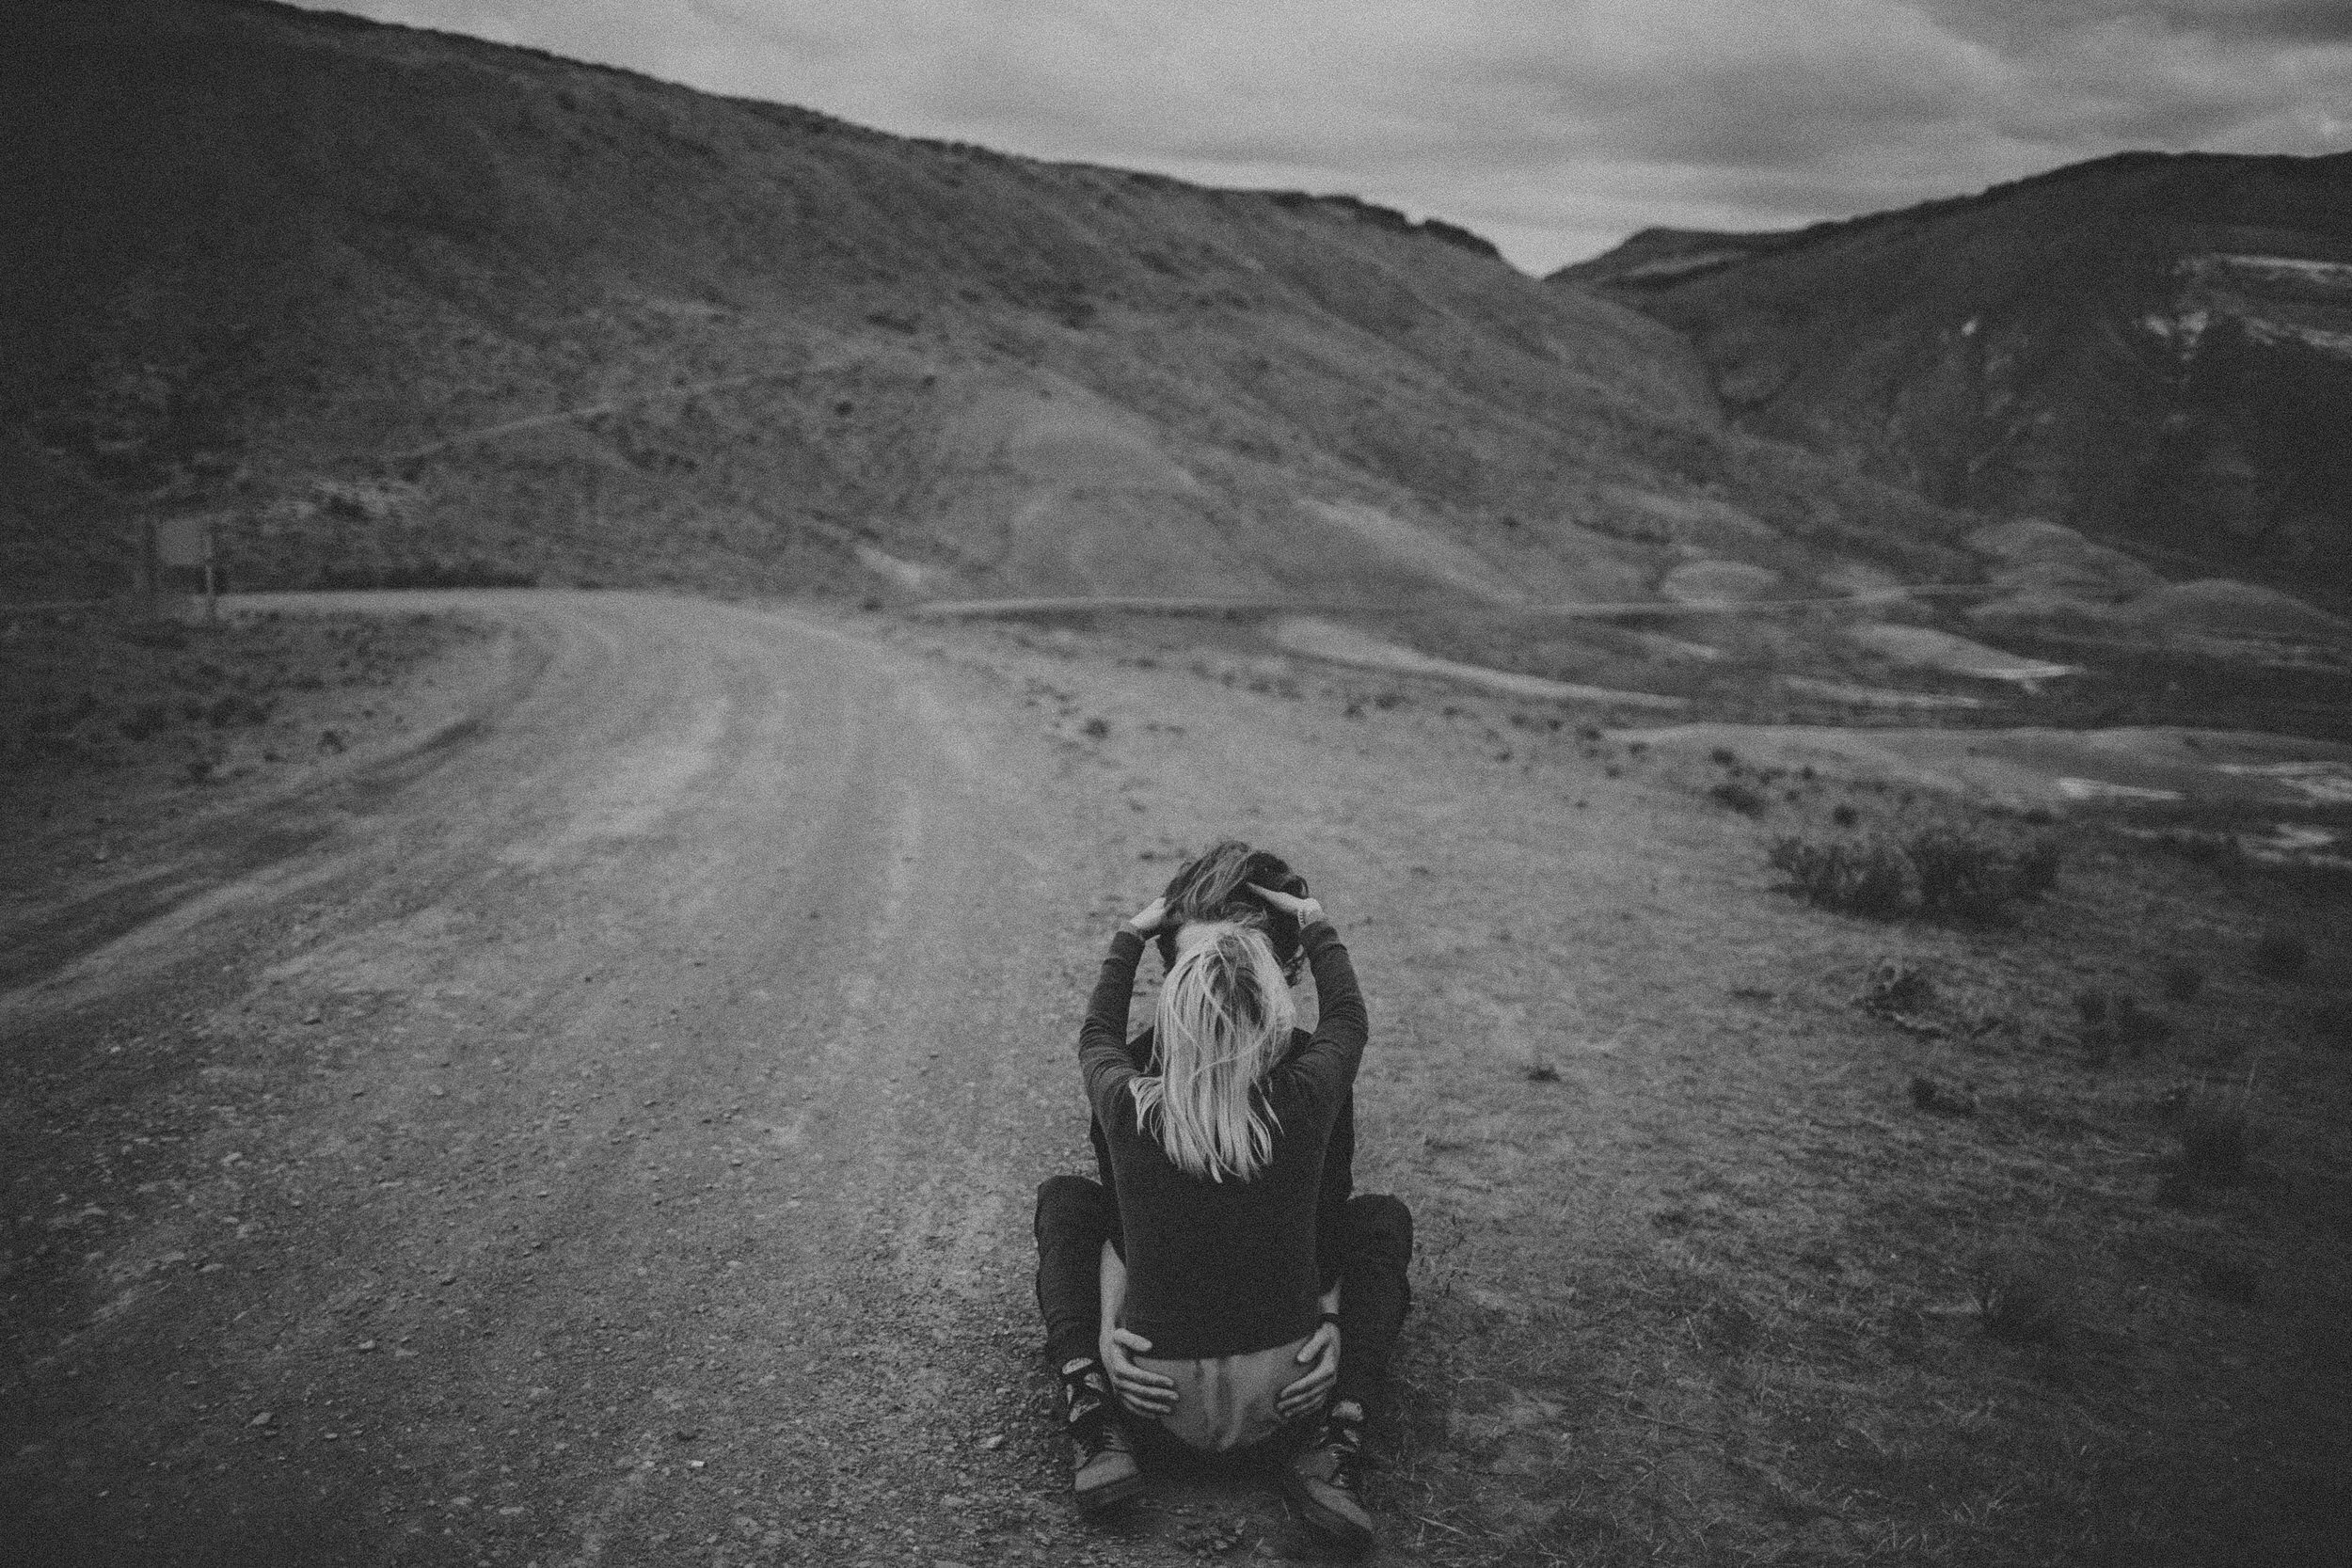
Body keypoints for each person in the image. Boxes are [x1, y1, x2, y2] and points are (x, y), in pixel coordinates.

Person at [1030, 844, 1414, 1556]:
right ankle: (1343, 1426)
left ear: (1173, 975)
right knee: (1381, 1222)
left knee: (1065, 1204)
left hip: (1153, 1397)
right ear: (1281, 979)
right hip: (1290, 1393)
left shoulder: (1130, 1085)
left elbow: (1126, 1229)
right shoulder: (1309, 1083)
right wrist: (1329, 1320)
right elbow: (1325, 1215)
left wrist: (1112, 1333)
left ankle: (1088, 1397)